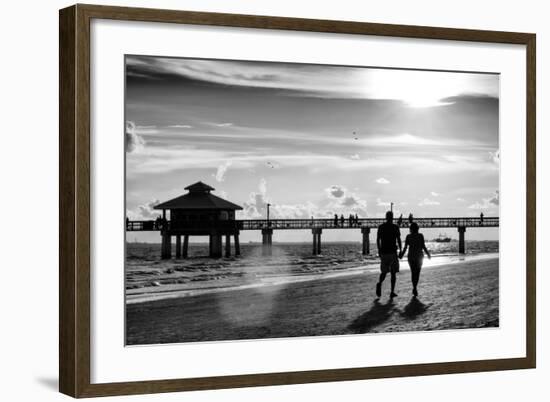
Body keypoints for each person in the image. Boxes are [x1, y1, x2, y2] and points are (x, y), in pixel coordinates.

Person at [399, 222, 431, 297]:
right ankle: (415, 287)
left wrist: (401, 255)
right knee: (417, 273)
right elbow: (423, 246)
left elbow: (405, 248)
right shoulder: (420, 236)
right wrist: (428, 254)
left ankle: (414, 287)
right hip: (419, 257)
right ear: (417, 228)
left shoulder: (408, 236)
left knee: (413, 273)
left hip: (411, 257)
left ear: (410, 229)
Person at [376, 211, 402, 298]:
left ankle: (380, 283)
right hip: (392, 252)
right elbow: (398, 239)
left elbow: (378, 240)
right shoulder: (395, 227)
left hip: (384, 252)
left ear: (386, 217)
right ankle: (392, 292)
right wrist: (401, 250)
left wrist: (379, 250)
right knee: (393, 273)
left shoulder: (381, 227)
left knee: (384, 272)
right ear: (392, 217)